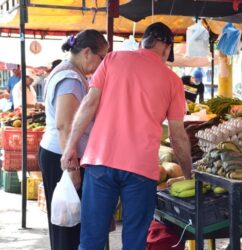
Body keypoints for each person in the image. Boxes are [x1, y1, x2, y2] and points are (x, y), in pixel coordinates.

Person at [60, 22, 192, 250]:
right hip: (141, 169)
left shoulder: (113, 59)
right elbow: (177, 135)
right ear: (166, 48)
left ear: (143, 42)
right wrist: (189, 173)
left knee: (91, 239)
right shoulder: (172, 81)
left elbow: (89, 104)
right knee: (134, 242)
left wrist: (70, 146)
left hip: (101, 161)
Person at [38, 29, 108, 250]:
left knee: (66, 223)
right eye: (102, 57)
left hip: (59, 154)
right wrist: (72, 167)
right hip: (63, 157)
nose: (102, 63)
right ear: (87, 52)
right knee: (68, 225)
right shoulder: (70, 78)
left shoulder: (69, 73)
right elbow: (64, 125)